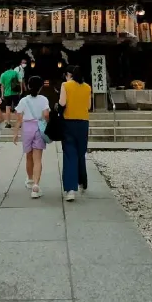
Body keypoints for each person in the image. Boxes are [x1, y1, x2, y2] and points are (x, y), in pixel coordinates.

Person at [13, 76, 50, 199]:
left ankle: (29, 180)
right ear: (40, 87)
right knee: (38, 158)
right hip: (39, 127)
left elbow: (18, 117)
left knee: (29, 157)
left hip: (27, 128)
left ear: (28, 86)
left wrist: (15, 133)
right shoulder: (43, 99)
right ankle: (36, 186)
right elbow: (46, 114)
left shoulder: (24, 100)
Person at [59, 65, 92, 202]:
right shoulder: (87, 87)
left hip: (69, 122)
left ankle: (70, 190)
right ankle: (82, 182)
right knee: (80, 153)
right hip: (83, 122)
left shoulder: (66, 85)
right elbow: (89, 106)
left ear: (69, 75)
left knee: (69, 154)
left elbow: (62, 102)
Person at [0, 61, 21, 128]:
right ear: (12, 67)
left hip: (7, 93)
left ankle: (8, 123)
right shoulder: (15, 73)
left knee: (7, 108)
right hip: (15, 93)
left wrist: (2, 94)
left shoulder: (3, 74)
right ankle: (19, 123)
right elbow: (20, 81)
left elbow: (2, 86)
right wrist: (21, 90)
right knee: (17, 108)